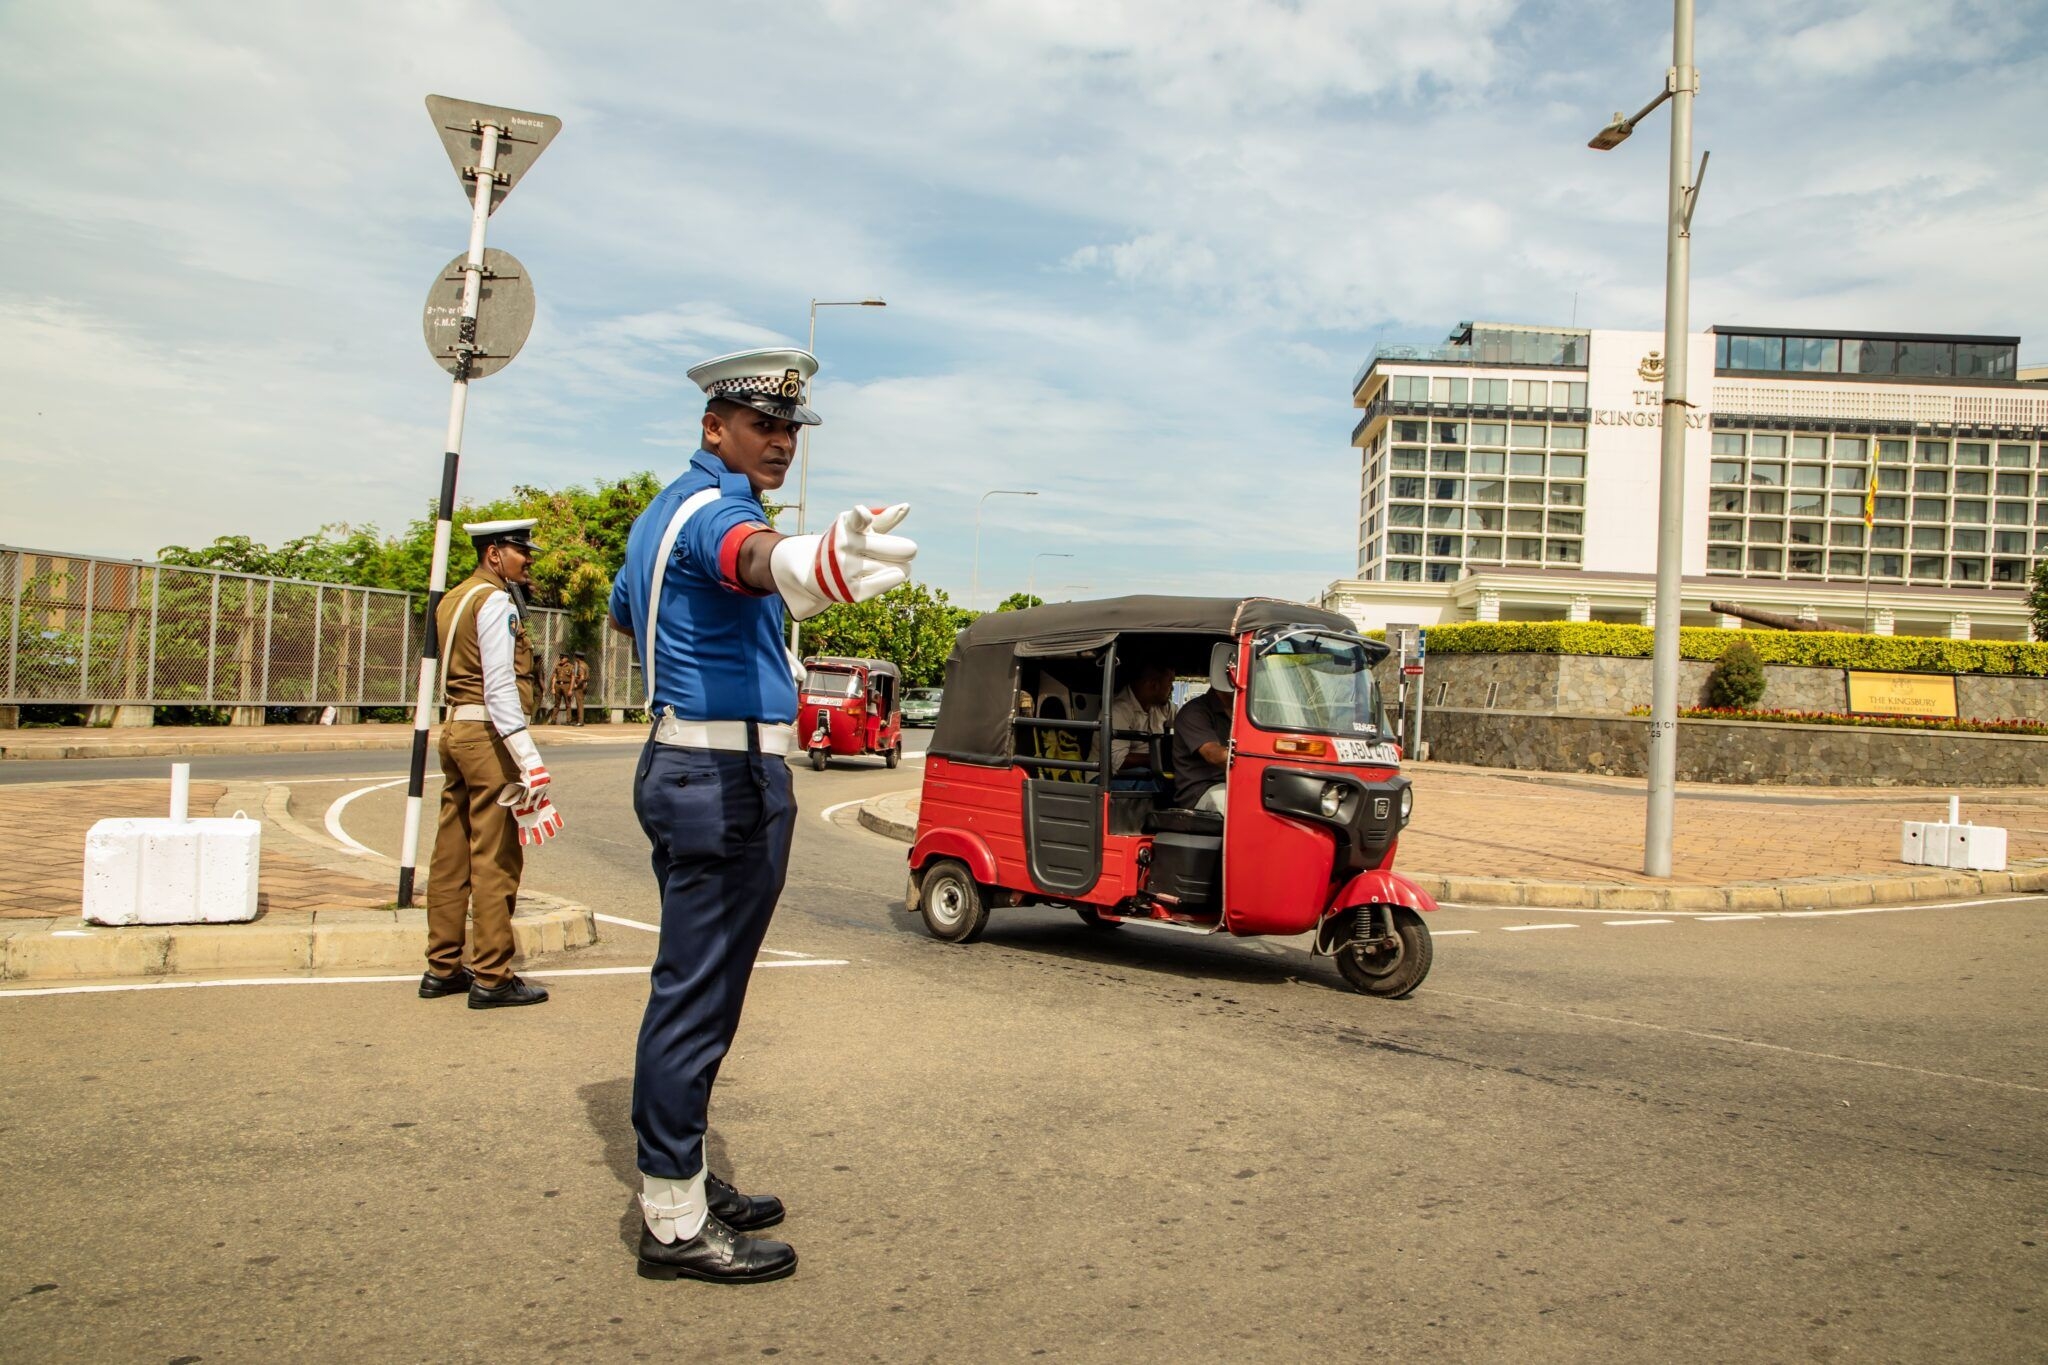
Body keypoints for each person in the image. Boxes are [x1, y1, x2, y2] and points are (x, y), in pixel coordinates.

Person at [608, 346, 915, 1284]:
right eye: (761, 426)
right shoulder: (718, 512)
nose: (780, 441)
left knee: (701, 988)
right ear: (715, 428)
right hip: (722, 771)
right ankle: (671, 1217)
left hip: (689, 758)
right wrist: (807, 560)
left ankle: (687, 1177)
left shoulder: (661, 512)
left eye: (790, 428)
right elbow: (747, 560)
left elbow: (630, 612)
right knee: (698, 995)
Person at [421, 519, 563, 1010]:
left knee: (451, 853)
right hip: (488, 736)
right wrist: (528, 757)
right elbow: (500, 684)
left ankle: (442, 966)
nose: (528, 560)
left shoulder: (452, 598)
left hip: (456, 728)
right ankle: (492, 977)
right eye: (520, 551)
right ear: (494, 554)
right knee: (496, 858)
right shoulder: (496, 601)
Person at [1171, 643, 1237, 814]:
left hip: (1235, 783)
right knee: (1238, 806)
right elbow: (1213, 754)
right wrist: (1252, 760)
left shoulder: (1245, 712)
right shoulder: (1194, 712)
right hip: (1200, 791)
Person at [1109, 659, 1174, 791]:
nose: (1172, 688)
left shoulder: (1161, 706)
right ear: (1153, 685)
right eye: (1170, 682)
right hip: (1110, 777)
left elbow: (1186, 720)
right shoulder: (1120, 710)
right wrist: (1162, 759)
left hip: (1147, 771)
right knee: (1156, 783)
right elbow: (1119, 761)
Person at [548, 653, 575, 725]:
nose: (561, 659)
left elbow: (572, 678)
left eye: (562, 658)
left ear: (567, 659)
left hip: (566, 685)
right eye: (560, 658)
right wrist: (553, 687)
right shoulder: (557, 666)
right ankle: (553, 720)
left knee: (568, 703)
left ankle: (568, 720)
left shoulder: (571, 667)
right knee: (557, 704)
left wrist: (570, 689)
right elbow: (554, 677)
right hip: (558, 685)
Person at [568, 650, 591, 726]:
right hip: (584, 685)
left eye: (576, 657)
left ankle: (580, 721)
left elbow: (581, 677)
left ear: (578, 658)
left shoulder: (581, 666)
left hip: (580, 687)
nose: (575, 659)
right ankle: (579, 720)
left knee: (579, 704)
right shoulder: (586, 665)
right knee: (580, 703)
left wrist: (576, 685)